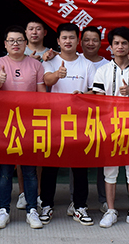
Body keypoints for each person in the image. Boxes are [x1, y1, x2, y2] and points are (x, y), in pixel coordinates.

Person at [91, 27, 129, 230]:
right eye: (116, 43)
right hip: (110, 127)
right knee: (110, 170)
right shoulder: (103, 70)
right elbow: (98, 99)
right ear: (110, 46)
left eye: (124, 43)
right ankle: (110, 210)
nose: (120, 46)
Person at [0, 25, 46, 230]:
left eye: (19, 40)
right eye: (11, 40)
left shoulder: (35, 65)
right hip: (5, 125)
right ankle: (3, 210)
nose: (15, 44)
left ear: (26, 43)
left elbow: (42, 94)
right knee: (5, 170)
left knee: (29, 171)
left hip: (28, 124)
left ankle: (32, 210)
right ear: (5, 44)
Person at [39, 23, 95, 226]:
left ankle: (80, 206)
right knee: (50, 166)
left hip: (79, 122)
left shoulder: (86, 64)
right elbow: (47, 80)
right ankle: (46, 205)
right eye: (64, 38)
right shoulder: (50, 61)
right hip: (54, 121)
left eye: (72, 37)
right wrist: (57, 75)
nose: (68, 41)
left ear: (78, 40)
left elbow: (94, 90)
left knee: (79, 167)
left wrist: (83, 95)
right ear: (58, 41)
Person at [79, 26, 108, 212]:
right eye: (86, 40)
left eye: (94, 40)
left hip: (102, 119)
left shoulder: (108, 65)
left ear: (100, 42)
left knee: (102, 162)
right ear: (80, 42)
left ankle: (104, 199)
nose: (90, 43)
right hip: (78, 119)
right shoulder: (74, 60)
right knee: (78, 161)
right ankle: (77, 200)